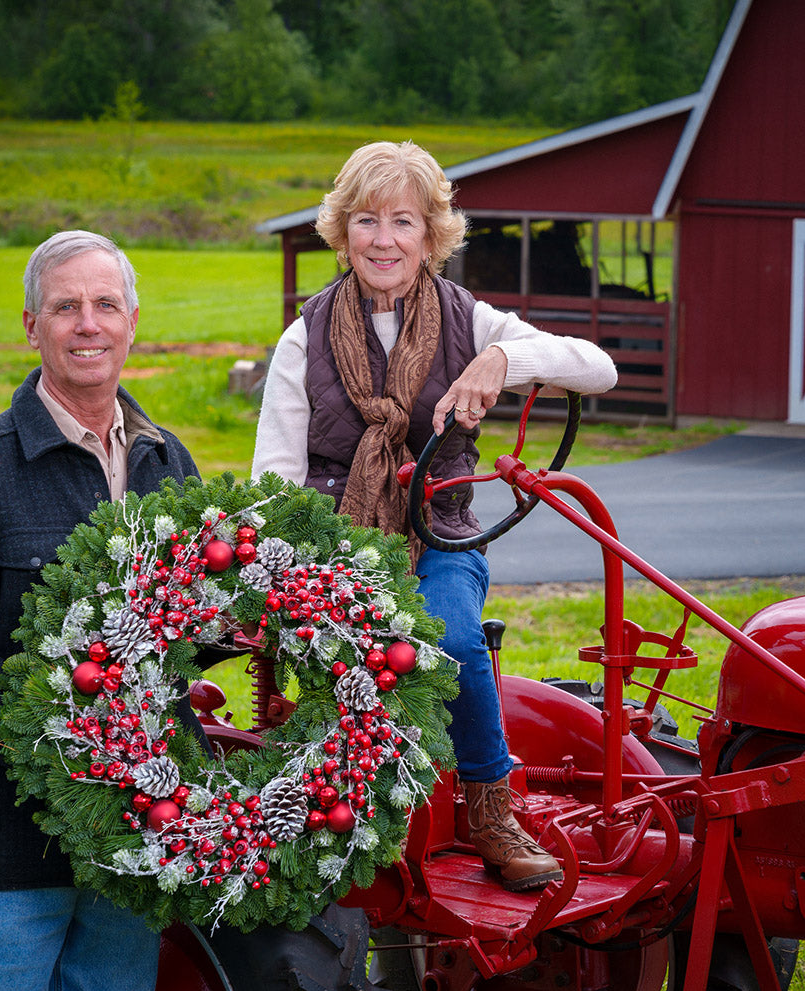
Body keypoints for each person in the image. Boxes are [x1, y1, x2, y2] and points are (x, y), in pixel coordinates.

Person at [252, 141, 618, 892]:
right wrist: (287, 575)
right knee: (354, 664)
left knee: (449, 633)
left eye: (403, 221)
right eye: (366, 220)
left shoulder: (469, 320)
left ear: (432, 234)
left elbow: (598, 368)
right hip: (336, 547)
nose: (383, 240)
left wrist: (504, 364)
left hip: (442, 535)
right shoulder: (304, 336)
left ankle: (488, 811)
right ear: (341, 230)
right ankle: (336, 817)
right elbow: (275, 478)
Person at [0, 230, 199, 991]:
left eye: (106, 304)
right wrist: (81, 750)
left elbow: (179, 626)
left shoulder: (165, 464)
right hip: (3, 859)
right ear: (31, 326)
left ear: (134, 321)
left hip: (128, 849)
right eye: (65, 306)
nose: (88, 324)